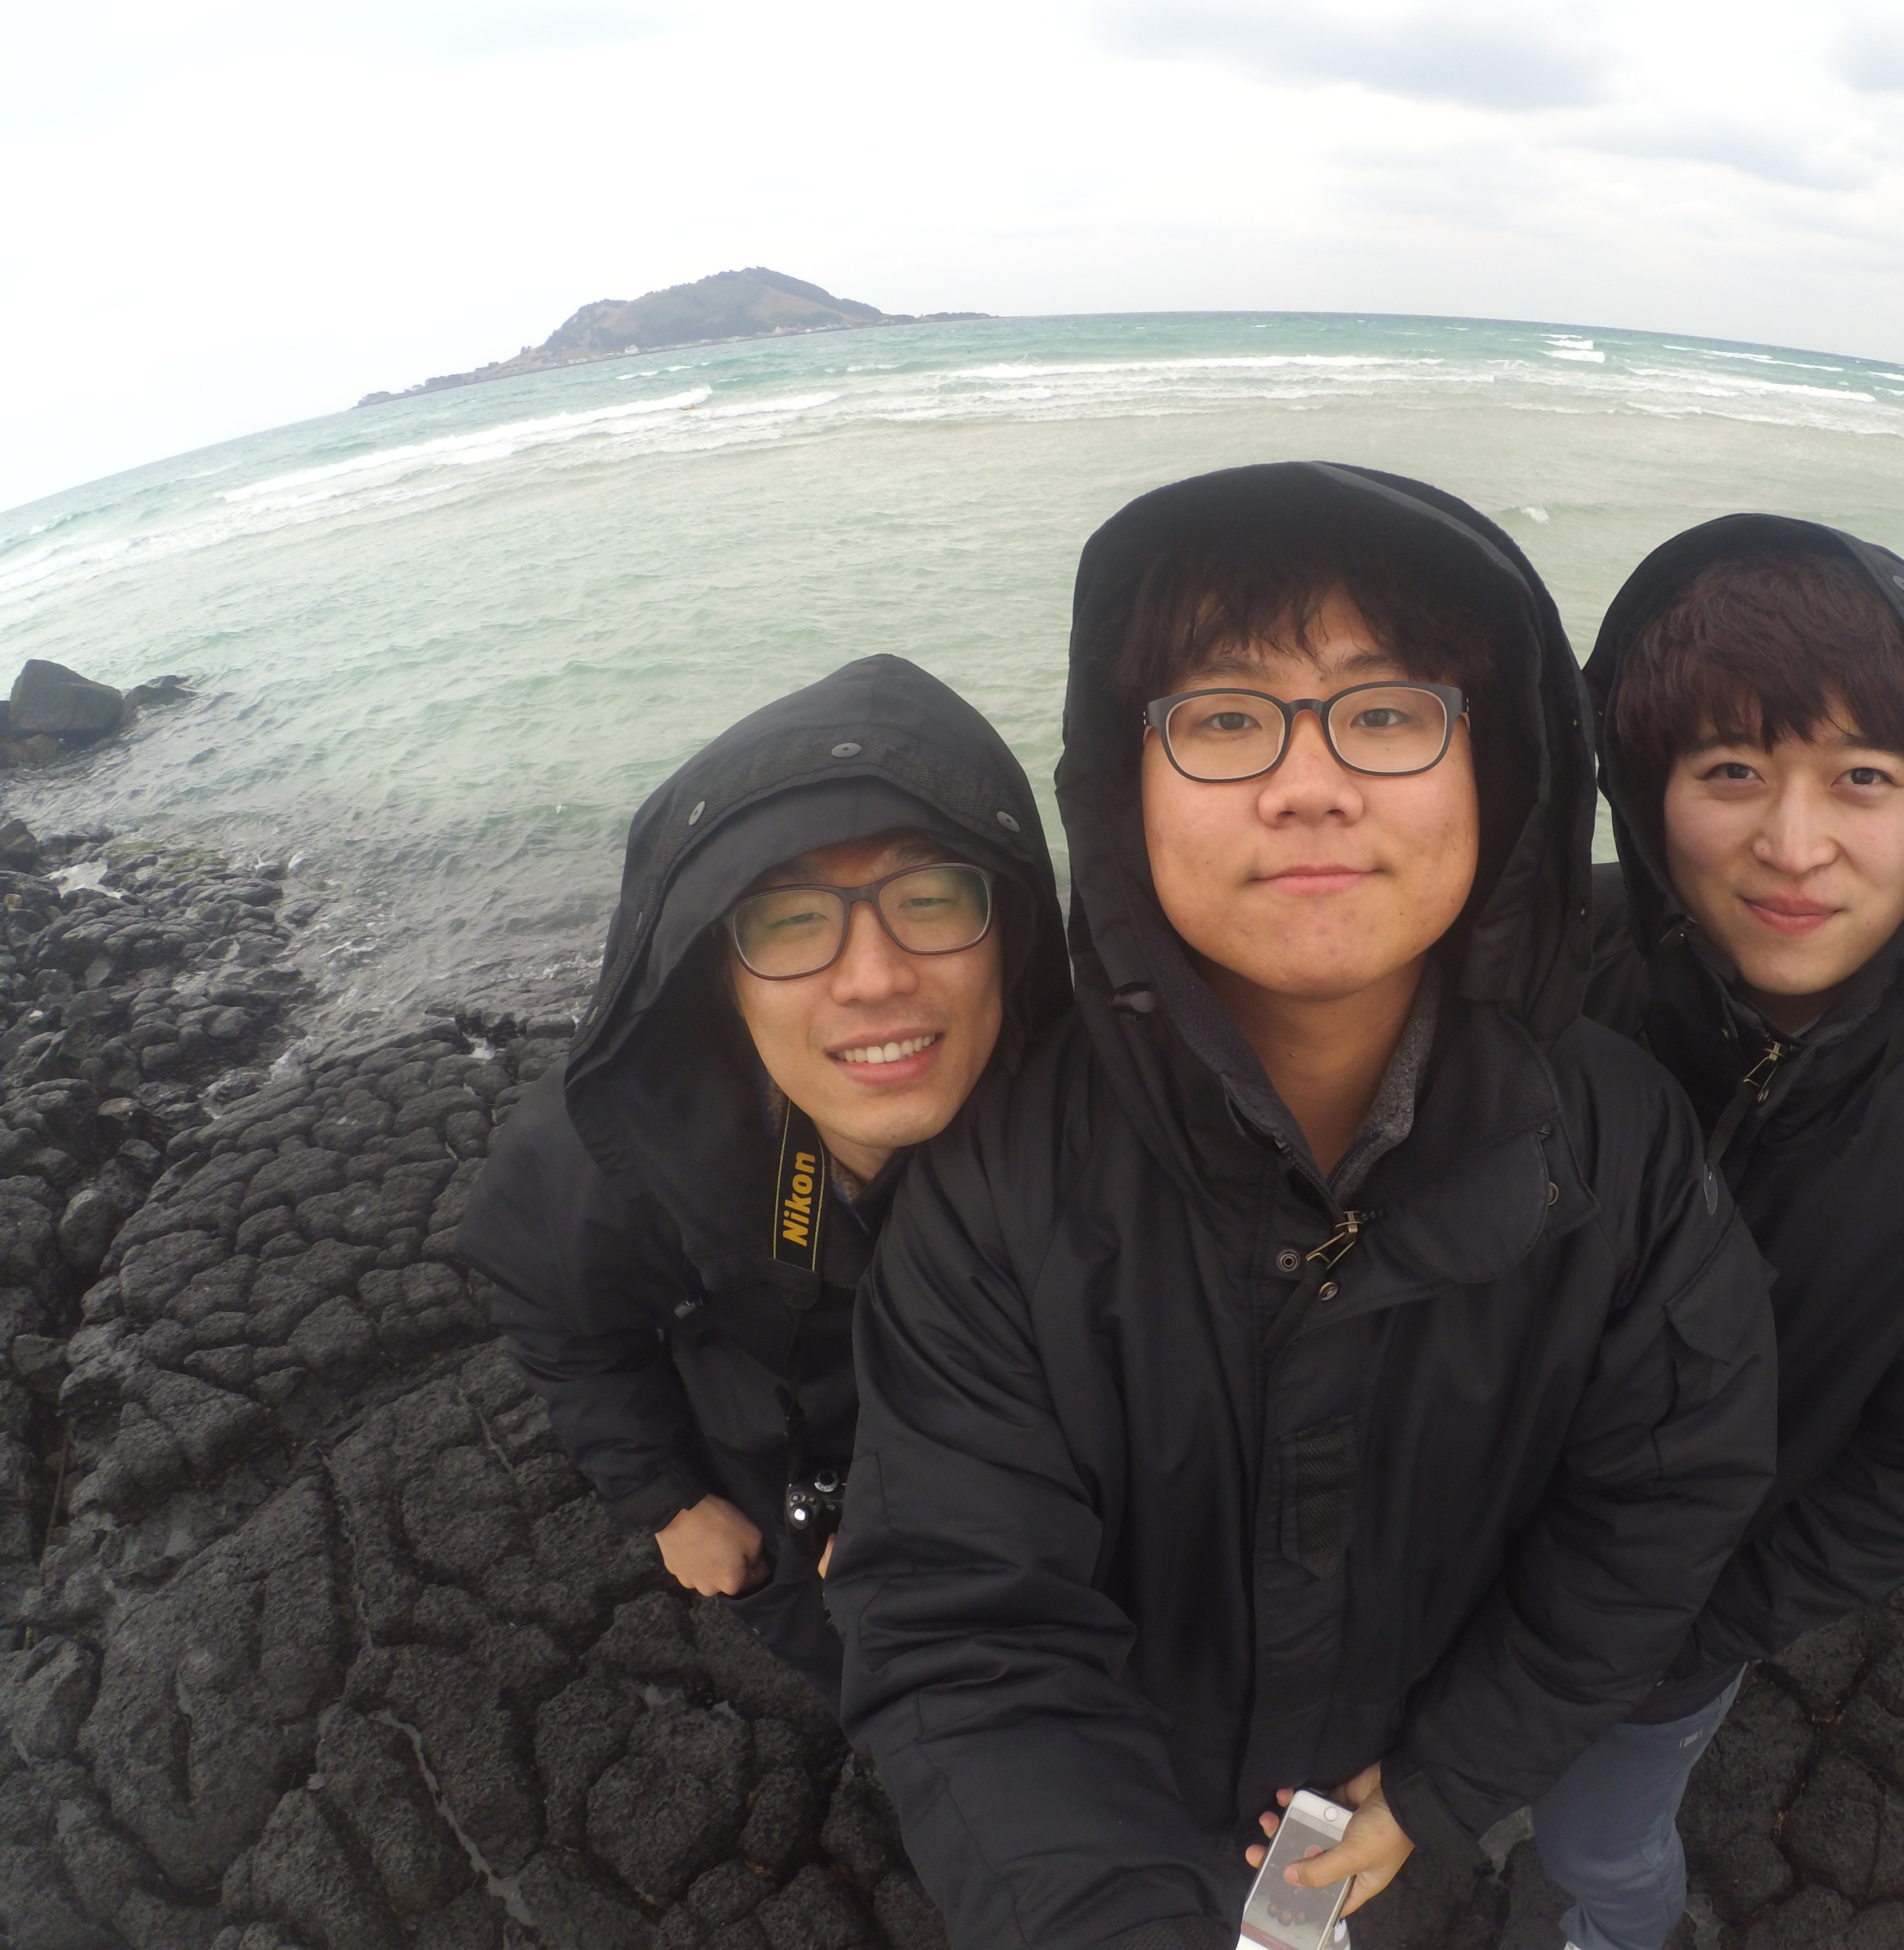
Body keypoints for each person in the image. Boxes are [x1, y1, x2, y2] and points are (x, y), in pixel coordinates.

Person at [825, 462, 1780, 1948]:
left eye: (1386, 714)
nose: (1310, 783)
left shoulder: (1616, 1148)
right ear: (1123, 782)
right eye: (1224, 718)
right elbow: (971, 1630)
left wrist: (1449, 1778)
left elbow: (1662, 1500)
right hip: (1136, 1816)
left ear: (1504, 772)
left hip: (1421, 1804)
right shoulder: (1001, 1186)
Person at [1524, 516, 1904, 1950]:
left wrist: (1700, 1628)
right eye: (1730, 771)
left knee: (1599, 1844)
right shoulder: (1546, 965)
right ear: (1644, 790)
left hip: (1675, 1639)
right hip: (1440, 1574)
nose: (1794, 846)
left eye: (1864, 778)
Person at [459, 655, 1070, 1705]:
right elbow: (554, 1315)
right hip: (776, 1483)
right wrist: (667, 1499)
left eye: (931, 897)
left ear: (1009, 934)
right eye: (789, 920)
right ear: (720, 976)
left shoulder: (1091, 1124)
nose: (874, 977)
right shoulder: (621, 1146)